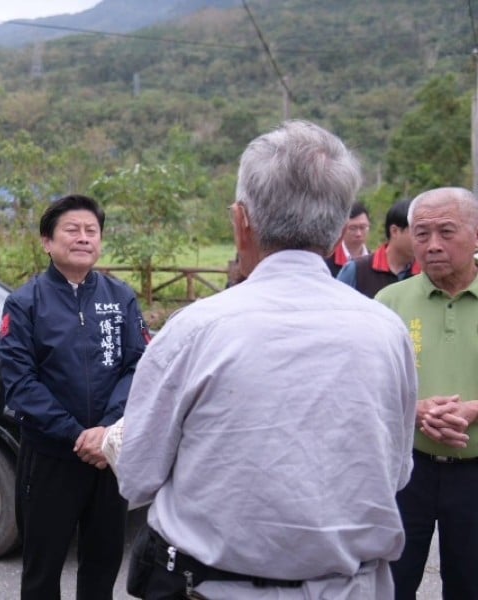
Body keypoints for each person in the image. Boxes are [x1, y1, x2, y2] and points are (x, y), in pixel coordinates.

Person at [116, 120, 417, 599]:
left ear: (241, 221)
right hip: (352, 586)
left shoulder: (196, 329)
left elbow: (137, 474)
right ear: (341, 226)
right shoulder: (386, 330)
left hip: (213, 587)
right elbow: (397, 470)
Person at [0, 194, 150, 600]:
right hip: (50, 458)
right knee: (42, 569)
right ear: (47, 241)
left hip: (109, 456)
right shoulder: (25, 303)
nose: (83, 238)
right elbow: (20, 384)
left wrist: (106, 433)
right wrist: (76, 434)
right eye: (72, 230)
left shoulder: (121, 299)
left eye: (91, 231)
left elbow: (139, 367)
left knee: (102, 565)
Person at [375, 187, 478, 599]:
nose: (432, 245)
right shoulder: (388, 302)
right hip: (405, 472)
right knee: (392, 583)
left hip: (474, 473)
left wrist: (473, 409)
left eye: (446, 231)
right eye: (421, 234)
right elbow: (368, 387)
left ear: (475, 233)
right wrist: (414, 410)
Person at [337, 198, 420, 297]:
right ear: (394, 231)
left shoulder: (426, 273)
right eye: (418, 233)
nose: (423, 240)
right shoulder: (357, 270)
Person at [325, 200, 371, 276]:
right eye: (353, 228)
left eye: (363, 227)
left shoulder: (373, 261)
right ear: (342, 228)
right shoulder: (328, 260)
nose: (358, 234)